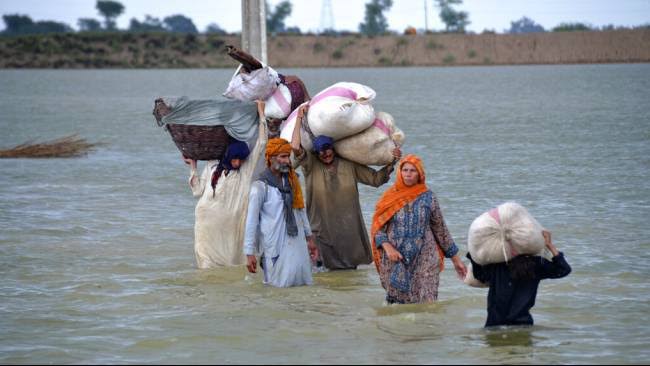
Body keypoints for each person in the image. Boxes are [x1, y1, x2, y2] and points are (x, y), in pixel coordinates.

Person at [291, 104, 401, 270]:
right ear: (316, 153)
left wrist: (392, 161)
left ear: (333, 149)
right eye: (321, 151)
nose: (325, 154)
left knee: (349, 269)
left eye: (328, 150)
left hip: (348, 227)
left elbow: (376, 179)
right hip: (321, 227)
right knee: (322, 270)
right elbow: (294, 147)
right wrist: (299, 118)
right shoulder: (310, 165)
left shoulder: (349, 164)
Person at [371, 154, 467, 304]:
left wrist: (456, 260)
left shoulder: (429, 197)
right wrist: (388, 247)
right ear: (400, 173)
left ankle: (429, 326)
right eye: (405, 170)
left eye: (413, 170)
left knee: (427, 303)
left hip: (425, 258)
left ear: (420, 174)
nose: (408, 174)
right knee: (396, 307)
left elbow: (440, 230)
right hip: (396, 258)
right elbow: (378, 229)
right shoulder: (389, 198)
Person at [183, 101, 266, 268]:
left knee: (232, 260)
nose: (237, 163)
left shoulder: (245, 171)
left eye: (241, 159)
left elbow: (262, 143)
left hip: (231, 224)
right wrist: (193, 167)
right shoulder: (212, 166)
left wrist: (261, 114)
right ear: (228, 156)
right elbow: (197, 192)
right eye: (235, 159)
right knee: (206, 263)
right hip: (206, 222)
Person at [243, 138, 319, 287]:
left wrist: (310, 239)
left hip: (297, 243)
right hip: (274, 245)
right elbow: (251, 221)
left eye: (288, 156)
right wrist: (249, 252)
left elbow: (301, 211)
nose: (287, 161)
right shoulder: (260, 187)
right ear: (271, 158)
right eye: (283, 157)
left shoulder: (293, 182)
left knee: (301, 283)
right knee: (275, 287)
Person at [467, 230, 571, 327]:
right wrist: (549, 245)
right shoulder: (536, 264)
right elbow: (563, 269)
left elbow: (480, 276)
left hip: (495, 324)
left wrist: (473, 254)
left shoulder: (497, 265)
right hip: (523, 324)